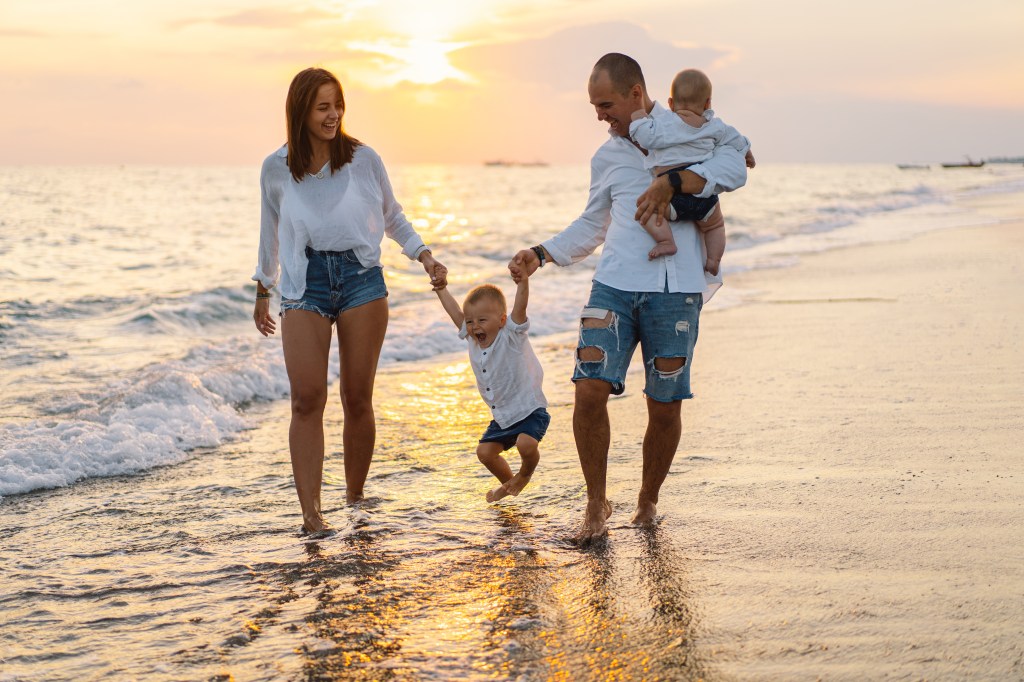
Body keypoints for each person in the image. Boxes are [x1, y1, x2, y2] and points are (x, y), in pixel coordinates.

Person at [508, 53, 747, 544]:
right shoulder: (608, 156)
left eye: (606, 104)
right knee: (588, 389)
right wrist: (541, 253)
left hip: (676, 292)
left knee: (665, 405)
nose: (600, 114)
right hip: (613, 286)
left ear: (636, 95)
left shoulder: (690, 130)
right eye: (595, 106)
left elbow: (733, 170)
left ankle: (647, 502)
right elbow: (592, 224)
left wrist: (671, 180)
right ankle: (596, 503)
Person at [252, 67, 447, 534]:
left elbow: (392, 215)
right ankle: (312, 516)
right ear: (301, 111)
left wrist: (423, 254)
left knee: (357, 397)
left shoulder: (363, 159)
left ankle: (356, 502)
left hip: (361, 280)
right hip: (305, 284)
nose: (333, 115)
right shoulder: (276, 168)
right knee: (306, 399)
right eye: (323, 107)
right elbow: (270, 233)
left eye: (338, 105)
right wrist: (263, 288)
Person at [434, 274, 549, 503]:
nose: (474, 326)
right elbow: (455, 313)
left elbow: (520, 306)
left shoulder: (512, 335)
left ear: (502, 320)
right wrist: (441, 289)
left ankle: (524, 476)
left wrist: (523, 282)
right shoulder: (472, 338)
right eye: (470, 322)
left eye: (482, 320)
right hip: (503, 416)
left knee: (526, 445)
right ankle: (509, 485)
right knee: (484, 453)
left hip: (529, 409)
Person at [628, 68, 755, 272]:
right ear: (707, 104)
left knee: (646, 209)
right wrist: (746, 152)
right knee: (715, 226)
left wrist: (639, 118)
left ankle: (666, 242)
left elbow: (645, 137)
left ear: (670, 103)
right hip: (705, 196)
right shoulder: (714, 126)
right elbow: (735, 139)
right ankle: (713, 261)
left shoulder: (664, 124)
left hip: (672, 198)